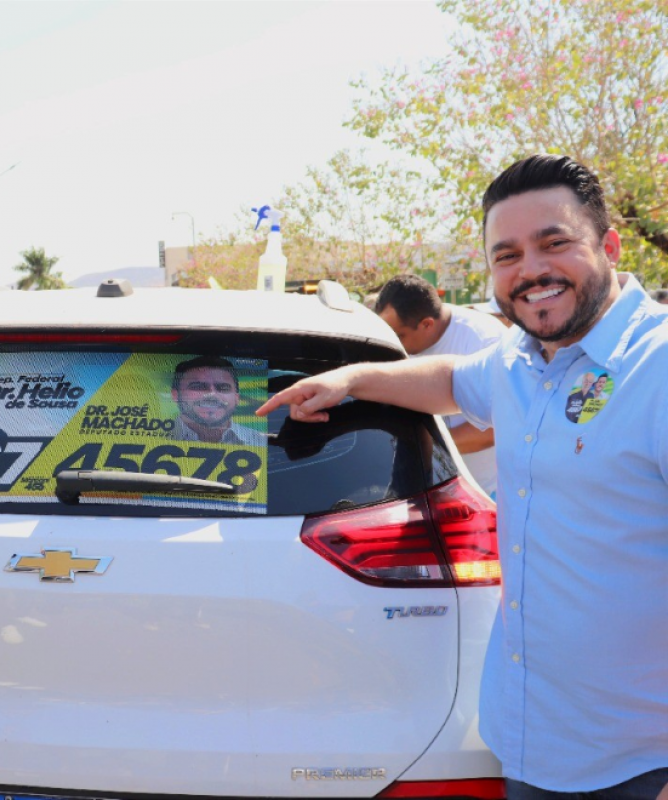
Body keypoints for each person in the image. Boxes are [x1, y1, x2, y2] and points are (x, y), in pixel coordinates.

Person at [257, 154, 668, 799]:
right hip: (530, 745)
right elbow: (448, 380)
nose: (530, 271)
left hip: (639, 766)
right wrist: (351, 379)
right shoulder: (521, 358)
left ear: (609, 245)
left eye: (553, 243)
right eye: (507, 255)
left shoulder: (659, 368)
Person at [375, 274, 506, 496]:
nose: (394, 343)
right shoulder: (400, 343)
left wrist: (425, 448)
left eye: (400, 335)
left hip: (485, 493)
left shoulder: (485, 341)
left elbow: (497, 428)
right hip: (423, 492)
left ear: (427, 324)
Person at [170, 356, 266, 446]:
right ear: (175, 395)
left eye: (223, 388)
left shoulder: (261, 442)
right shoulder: (158, 435)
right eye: (198, 387)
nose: (212, 395)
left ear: (237, 398)